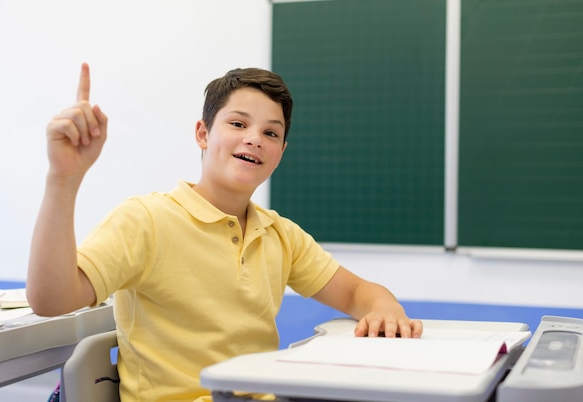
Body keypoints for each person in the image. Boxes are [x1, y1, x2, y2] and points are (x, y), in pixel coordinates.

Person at [27, 63, 423, 402]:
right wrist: (63, 179)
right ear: (202, 134)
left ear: (282, 151)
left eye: (271, 132)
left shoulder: (280, 234)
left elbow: (356, 292)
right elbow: (51, 299)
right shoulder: (146, 219)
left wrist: (385, 309)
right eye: (237, 123)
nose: (254, 138)